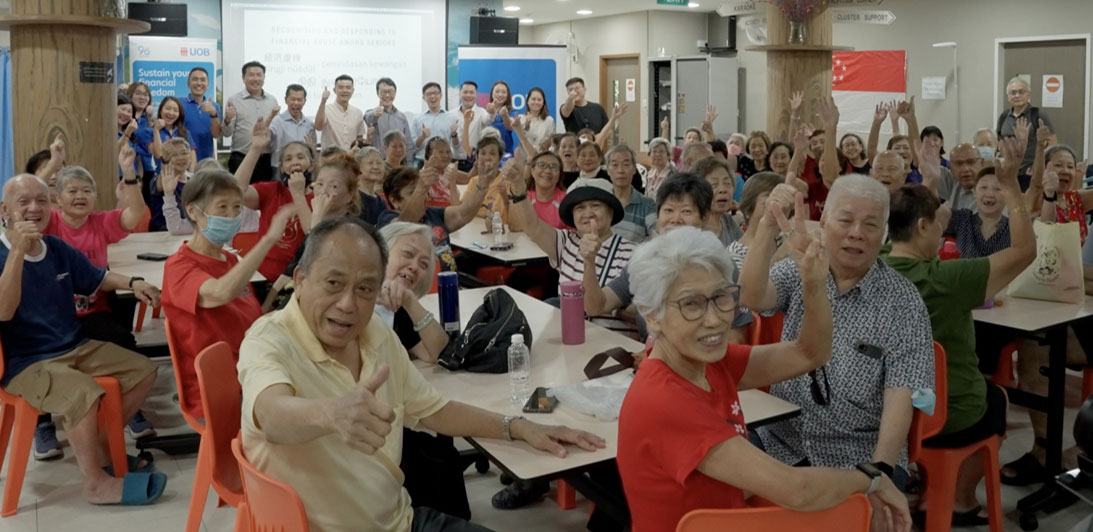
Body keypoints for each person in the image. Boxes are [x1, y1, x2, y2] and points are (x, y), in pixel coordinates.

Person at [237, 216, 605, 531]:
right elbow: (271, 415)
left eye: (365, 288)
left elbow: (433, 409)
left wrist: (520, 427)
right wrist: (331, 413)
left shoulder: (376, 333)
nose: (348, 304)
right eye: (333, 283)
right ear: (300, 279)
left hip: (401, 519)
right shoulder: (269, 340)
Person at [618, 226, 911, 532]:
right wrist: (872, 479)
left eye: (721, 297)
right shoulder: (665, 400)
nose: (715, 318)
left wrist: (813, 282)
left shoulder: (707, 362)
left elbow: (810, 354)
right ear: (651, 315)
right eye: (691, 304)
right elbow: (796, 489)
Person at [740, 174, 935, 484]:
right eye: (845, 221)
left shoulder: (903, 302)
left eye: (870, 225)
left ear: (884, 235)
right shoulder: (803, 268)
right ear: (825, 222)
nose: (856, 233)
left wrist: (880, 471)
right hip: (780, 442)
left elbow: (901, 396)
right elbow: (751, 295)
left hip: (856, 456)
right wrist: (767, 226)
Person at [884, 137, 1033, 525]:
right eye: (938, 224)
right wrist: (1013, 185)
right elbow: (1024, 251)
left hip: (883, 410)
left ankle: (924, 486)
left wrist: (931, 181)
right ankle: (960, 501)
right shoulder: (946, 277)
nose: (943, 231)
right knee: (995, 398)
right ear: (922, 227)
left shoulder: (874, 267)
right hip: (943, 413)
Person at [0, 175, 166, 505]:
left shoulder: (57, 248)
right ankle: (94, 483)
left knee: (143, 371)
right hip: (26, 362)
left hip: (75, 346)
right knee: (84, 394)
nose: (34, 208)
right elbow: (4, 312)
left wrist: (132, 282)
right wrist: (18, 252)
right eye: (24, 202)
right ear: (4, 209)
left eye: (42, 201)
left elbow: (98, 277)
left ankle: (102, 451)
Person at [161, 170, 294, 419]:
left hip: (251, 367)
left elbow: (249, 316)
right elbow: (221, 293)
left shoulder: (231, 259)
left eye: (236, 208)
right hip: (221, 385)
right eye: (222, 207)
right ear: (193, 211)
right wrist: (268, 240)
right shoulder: (179, 266)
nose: (231, 216)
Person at [583, 173, 754, 342]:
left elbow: (737, 335)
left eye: (686, 211)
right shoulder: (644, 260)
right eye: (668, 210)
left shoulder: (720, 265)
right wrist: (589, 262)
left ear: (704, 217)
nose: (675, 219)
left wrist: (671, 356)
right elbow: (596, 306)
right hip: (650, 361)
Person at [507, 168, 636, 336]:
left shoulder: (633, 252)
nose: (588, 213)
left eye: (596, 206)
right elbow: (532, 225)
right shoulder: (566, 240)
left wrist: (615, 310)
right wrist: (518, 186)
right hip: (567, 336)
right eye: (580, 208)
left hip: (612, 344)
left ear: (611, 212)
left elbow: (640, 314)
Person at [232, 117, 313, 281]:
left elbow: (315, 234)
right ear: (281, 167)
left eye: (300, 157)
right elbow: (236, 192)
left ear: (311, 164)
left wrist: (298, 194)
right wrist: (255, 148)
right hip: (262, 276)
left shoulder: (321, 195)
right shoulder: (272, 190)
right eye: (288, 159)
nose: (294, 162)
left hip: (301, 280)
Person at [380, 164, 500, 272]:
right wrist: (421, 188)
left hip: (449, 285)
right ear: (394, 201)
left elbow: (463, 214)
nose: (424, 196)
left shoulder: (432, 213)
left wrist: (483, 184)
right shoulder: (387, 219)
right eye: (412, 192)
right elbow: (406, 225)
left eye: (425, 191)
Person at [374, 222, 447, 363]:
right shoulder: (350, 296)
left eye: (423, 264)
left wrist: (410, 302)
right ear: (381, 251)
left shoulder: (398, 309)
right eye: (408, 253)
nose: (414, 267)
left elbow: (438, 353)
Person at [224, 61, 279, 181]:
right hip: (241, 158)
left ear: (264, 78)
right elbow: (226, 133)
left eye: (259, 75)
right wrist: (227, 120)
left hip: (266, 159)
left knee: (265, 197)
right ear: (243, 78)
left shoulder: (272, 100)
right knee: (240, 196)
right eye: (251, 75)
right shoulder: (234, 100)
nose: (255, 78)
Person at [997, 77, 1054, 183]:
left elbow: (1052, 144)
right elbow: (999, 143)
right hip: (1008, 173)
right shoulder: (1003, 117)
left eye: (1021, 92)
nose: (1017, 95)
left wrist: (1039, 167)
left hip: (1030, 173)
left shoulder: (1038, 115)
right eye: (1013, 93)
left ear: (1029, 95)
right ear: (1008, 97)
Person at [728, 172, 788, 270]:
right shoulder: (735, 255)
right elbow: (748, 285)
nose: (778, 209)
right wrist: (778, 257)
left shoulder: (784, 241)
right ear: (748, 209)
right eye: (769, 203)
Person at [603, 145, 655, 243]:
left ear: (634, 169)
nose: (620, 170)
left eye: (626, 165)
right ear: (608, 171)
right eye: (615, 165)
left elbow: (656, 236)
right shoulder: (601, 203)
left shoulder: (647, 205)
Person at [691, 156, 743, 245]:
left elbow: (745, 249)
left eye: (727, 184)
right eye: (714, 185)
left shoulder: (727, 220)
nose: (723, 189)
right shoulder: (693, 228)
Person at [365, 77, 414, 164]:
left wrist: (409, 164)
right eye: (384, 92)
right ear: (377, 93)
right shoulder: (372, 113)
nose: (387, 95)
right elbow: (368, 118)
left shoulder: (402, 117)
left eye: (390, 92)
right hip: (378, 162)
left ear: (395, 94)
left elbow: (408, 143)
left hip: (399, 164)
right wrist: (375, 114)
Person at [270, 84, 316, 174]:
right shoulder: (277, 121)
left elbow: (312, 149)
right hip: (281, 170)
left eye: (299, 100)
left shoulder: (309, 124)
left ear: (304, 101)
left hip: (304, 170)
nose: (296, 103)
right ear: (286, 100)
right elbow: (267, 138)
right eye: (293, 99)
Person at [315, 75, 366, 152]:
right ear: (334, 90)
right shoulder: (326, 109)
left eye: (348, 88)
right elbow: (318, 127)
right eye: (341, 87)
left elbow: (359, 138)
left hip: (351, 159)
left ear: (353, 90)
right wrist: (323, 101)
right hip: (330, 159)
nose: (344, 90)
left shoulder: (357, 112)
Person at [180, 67, 221, 161]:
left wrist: (213, 114)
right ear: (188, 84)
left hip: (206, 161)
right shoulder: (179, 104)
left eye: (203, 80)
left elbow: (216, 134)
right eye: (195, 79)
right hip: (183, 160)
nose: (199, 83)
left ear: (208, 84)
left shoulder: (214, 106)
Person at [412, 82, 457, 167]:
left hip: (444, 161)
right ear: (423, 98)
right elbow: (413, 147)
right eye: (428, 94)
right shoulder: (417, 119)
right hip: (422, 161)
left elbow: (456, 145)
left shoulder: (452, 117)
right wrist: (422, 137)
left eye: (436, 93)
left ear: (441, 95)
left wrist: (454, 135)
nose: (432, 96)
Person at [452, 81, 491, 170]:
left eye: (471, 92)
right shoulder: (451, 114)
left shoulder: (482, 112)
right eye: (465, 92)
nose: (468, 95)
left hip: (475, 163)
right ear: (460, 94)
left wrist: (492, 112)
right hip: (455, 162)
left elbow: (488, 119)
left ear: (476, 95)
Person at [525, 151, 567, 229]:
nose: (547, 171)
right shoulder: (524, 199)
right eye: (542, 165)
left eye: (554, 167)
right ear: (532, 171)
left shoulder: (566, 201)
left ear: (559, 175)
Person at [936, 144, 984, 212]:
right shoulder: (954, 184)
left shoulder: (992, 191)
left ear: (981, 163)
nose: (965, 169)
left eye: (970, 162)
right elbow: (930, 171)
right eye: (959, 163)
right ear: (950, 167)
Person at [522, 87, 555, 155]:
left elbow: (551, 143)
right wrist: (527, 125)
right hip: (525, 157)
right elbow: (522, 138)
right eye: (533, 99)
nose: (536, 102)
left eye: (539, 100)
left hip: (542, 156)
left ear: (543, 102)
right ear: (528, 101)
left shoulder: (549, 120)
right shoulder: (521, 118)